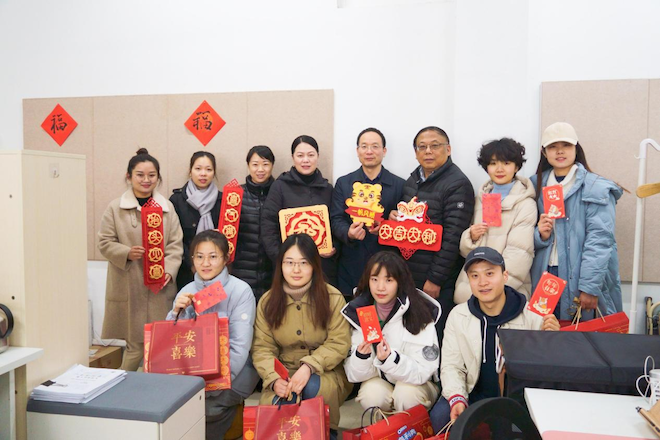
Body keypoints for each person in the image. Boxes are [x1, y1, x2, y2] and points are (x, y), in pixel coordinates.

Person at [429, 247, 560, 431]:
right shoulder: (458, 316)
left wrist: (553, 340)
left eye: (490, 273)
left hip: (515, 398)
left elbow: (545, 370)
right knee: (440, 415)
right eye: (475, 276)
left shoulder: (532, 315)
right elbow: (451, 365)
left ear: (505, 276)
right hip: (472, 393)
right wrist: (457, 397)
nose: (482, 282)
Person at [251, 234, 352, 439]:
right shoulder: (268, 302)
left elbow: (338, 342)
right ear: (280, 265)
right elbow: (262, 348)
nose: (296, 270)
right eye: (289, 263)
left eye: (303, 263)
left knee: (312, 387)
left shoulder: (332, 297)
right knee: (285, 397)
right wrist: (274, 379)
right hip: (283, 372)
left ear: (314, 265)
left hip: (326, 371)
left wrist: (309, 367)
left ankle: (326, 432)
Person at [167, 230, 258, 440]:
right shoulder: (186, 291)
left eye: (213, 256)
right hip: (193, 374)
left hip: (235, 372)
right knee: (175, 407)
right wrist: (175, 314)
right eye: (199, 256)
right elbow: (172, 345)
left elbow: (239, 346)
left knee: (209, 408)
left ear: (226, 258)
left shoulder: (240, 291)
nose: (205, 263)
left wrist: (213, 384)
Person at [98, 148, 183, 371]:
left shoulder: (167, 208)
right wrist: (126, 252)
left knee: (158, 346)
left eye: (152, 175)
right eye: (140, 175)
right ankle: (120, 386)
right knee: (135, 347)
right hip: (129, 285)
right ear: (129, 176)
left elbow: (176, 244)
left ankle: (151, 388)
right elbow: (104, 242)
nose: (146, 180)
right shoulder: (115, 208)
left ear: (158, 177)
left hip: (159, 288)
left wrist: (169, 270)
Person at [531, 122, 623, 320]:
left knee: (579, 334)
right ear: (544, 152)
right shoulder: (534, 185)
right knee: (545, 332)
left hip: (580, 275)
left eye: (566, 145)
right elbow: (522, 233)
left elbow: (600, 240)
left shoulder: (596, 187)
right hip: (545, 273)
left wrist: (589, 287)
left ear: (576, 148)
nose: (560, 151)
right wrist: (539, 235)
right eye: (553, 146)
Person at [400, 126, 474, 350]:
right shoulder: (413, 180)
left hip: (437, 280)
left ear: (448, 149)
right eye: (422, 147)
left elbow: (453, 236)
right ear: (415, 152)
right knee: (410, 336)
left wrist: (436, 279)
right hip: (410, 274)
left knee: (434, 338)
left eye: (435, 146)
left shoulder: (457, 184)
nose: (428, 151)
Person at [342, 252, 441, 412]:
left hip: (418, 384)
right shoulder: (360, 311)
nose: (380, 287)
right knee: (371, 395)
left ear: (400, 282)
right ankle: (384, 426)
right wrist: (361, 357)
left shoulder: (420, 311)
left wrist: (390, 360)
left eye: (388, 280)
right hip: (382, 380)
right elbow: (354, 376)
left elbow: (423, 371)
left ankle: (411, 426)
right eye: (374, 279)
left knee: (405, 394)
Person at [454, 138, 536, 302]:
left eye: (506, 163)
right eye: (493, 163)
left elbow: (519, 255)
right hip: (472, 286)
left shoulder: (525, 204)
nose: (499, 169)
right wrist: (471, 236)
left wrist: (492, 290)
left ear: (516, 167)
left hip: (505, 291)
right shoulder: (480, 199)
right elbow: (465, 252)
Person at [331, 128, 405, 300]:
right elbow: (336, 218)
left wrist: (387, 227)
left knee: (383, 312)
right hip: (351, 263)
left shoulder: (399, 185)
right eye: (364, 146)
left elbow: (405, 226)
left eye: (375, 146)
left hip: (387, 265)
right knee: (352, 310)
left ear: (384, 151)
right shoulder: (344, 183)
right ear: (357, 151)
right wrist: (348, 232)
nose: (369, 151)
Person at [261, 135, 338, 286]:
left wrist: (333, 247)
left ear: (318, 156)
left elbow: (335, 222)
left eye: (311, 155)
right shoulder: (280, 186)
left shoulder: (328, 189)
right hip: (290, 269)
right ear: (293, 158)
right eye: (300, 155)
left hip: (321, 266)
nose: (306, 160)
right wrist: (281, 259)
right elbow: (268, 225)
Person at [230, 145, 275, 302]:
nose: (260, 169)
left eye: (265, 164)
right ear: (248, 166)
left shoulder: (280, 193)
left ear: (272, 166)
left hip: (273, 272)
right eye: (255, 164)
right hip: (242, 271)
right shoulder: (235, 195)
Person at [170, 151, 222, 288]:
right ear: (190, 171)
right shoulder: (177, 200)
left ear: (214, 173)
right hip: (186, 270)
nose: (203, 174)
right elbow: (174, 238)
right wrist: (194, 264)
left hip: (217, 270)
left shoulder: (224, 201)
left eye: (208, 169)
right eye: (198, 169)